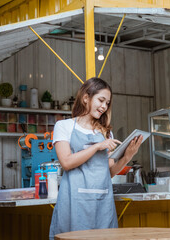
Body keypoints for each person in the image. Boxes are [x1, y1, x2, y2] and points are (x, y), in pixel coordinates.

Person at [49, 77, 143, 239]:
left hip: (102, 202)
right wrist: (96, 147)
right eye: (101, 100)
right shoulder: (64, 126)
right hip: (74, 202)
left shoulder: (105, 132)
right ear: (86, 98)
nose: (104, 107)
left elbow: (110, 171)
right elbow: (66, 162)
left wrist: (127, 156)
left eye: (107, 103)